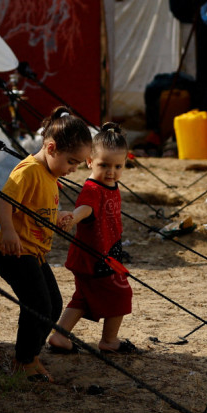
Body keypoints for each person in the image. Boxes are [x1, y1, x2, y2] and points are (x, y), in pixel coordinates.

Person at [0, 106, 92, 382]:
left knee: (53, 305)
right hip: (14, 252)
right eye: (72, 162)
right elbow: (4, 201)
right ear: (51, 147)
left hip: (34, 253)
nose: (73, 169)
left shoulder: (49, 174)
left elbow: (35, 207)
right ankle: (23, 361)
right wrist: (8, 231)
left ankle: (30, 355)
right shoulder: (29, 171)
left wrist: (58, 216)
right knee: (36, 304)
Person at [46, 122, 138, 355]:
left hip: (102, 254)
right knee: (121, 293)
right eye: (104, 165)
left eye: (118, 166)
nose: (111, 171)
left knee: (82, 297)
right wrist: (74, 218)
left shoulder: (111, 184)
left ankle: (59, 335)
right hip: (95, 258)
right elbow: (86, 208)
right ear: (89, 162)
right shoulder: (92, 189)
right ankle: (109, 340)